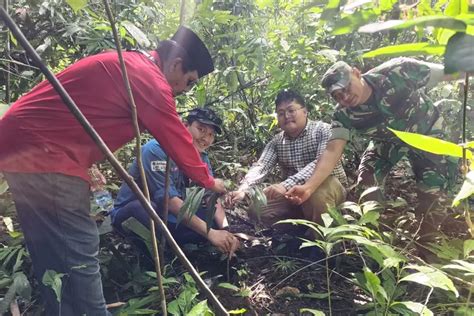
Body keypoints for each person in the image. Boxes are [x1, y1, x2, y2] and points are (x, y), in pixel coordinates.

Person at [0, 26, 226, 315]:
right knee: (80, 244)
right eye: (189, 81)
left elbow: (85, 113)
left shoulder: (132, 64)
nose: (184, 90)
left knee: (50, 246)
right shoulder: (150, 79)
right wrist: (210, 181)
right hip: (44, 152)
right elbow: (178, 142)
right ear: (176, 65)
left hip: (25, 146)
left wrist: (85, 161)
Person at [287, 58, 461, 237]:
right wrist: (308, 187)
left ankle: (428, 245)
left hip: (428, 133)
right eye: (337, 95)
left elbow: (448, 71)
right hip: (386, 141)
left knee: (433, 196)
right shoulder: (343, 114)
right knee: (368, 183)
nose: (345, 97)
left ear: (356, 73)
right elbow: (332, 150)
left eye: (346, 88)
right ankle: (372, 238)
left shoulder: (397, 71)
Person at [111, 107, 240, 255]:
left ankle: (180, 244)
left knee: (210, 217)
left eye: (211, 134)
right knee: (142, 208)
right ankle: (161, 255)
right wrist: (210, 233)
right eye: (201, 129)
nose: (206, 138)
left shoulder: (202, 157)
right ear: (185, 125)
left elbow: (211, 197)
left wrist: (225, 231)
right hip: (142, 213)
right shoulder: (157, 150)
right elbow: (168, 200)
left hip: (172, 216)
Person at [227, 89, 347, 230]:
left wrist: (285, 185)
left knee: (317, 196)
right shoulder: (277, 142)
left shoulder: (323, 130)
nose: (287, 116)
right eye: (281, 113)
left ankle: (324, 241)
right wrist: (244, 190)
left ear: (305, 111)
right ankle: (299, 232)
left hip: (328, 187)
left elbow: (321, 162)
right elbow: (261, 166)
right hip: (292, 194)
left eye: (291, 110)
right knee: (257, 209)